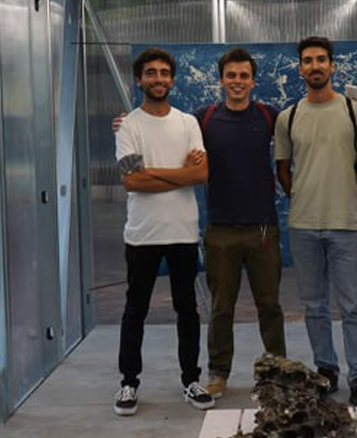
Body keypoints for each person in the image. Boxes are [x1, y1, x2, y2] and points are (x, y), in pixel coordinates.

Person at [274, 36, 357, 406]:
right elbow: (282, 169)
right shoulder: (288, 117)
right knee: (315, 306)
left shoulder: (356, 112)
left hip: (346, 226)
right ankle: (326, 370)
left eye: (321, 59)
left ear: (332, 66)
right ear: (300, 68)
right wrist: (303, 198)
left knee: (353, 306)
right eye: (308, 60)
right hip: (303, 227)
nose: (315, 66)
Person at [113, 47, 214, 416]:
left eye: (164, 73)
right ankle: (128, 383)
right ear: (139, 79)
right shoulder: (128, 126)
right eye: (151, 73)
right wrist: (179, 174)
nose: (158, 79)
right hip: (142, 234)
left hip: (182, 233)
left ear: (172, 79)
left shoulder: (188, 123)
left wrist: (153, 172)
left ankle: (191, 380)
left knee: (187, 310)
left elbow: (200, 175)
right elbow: (131, 181)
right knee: (135, 310)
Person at [194, 48, 287, 398]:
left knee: (270, 306)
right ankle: (218, 372)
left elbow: (311, 132)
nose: (237, 81)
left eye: (243, 76)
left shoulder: (268, 116)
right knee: (221, 307)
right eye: (231, 75)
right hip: (220, 230)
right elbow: (164, 131)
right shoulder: (203, 119)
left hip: (263, 229)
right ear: (221, 80)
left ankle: (277, 371)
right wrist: (128, 124)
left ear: (252, 81)